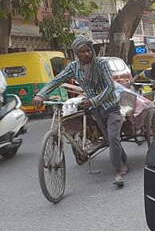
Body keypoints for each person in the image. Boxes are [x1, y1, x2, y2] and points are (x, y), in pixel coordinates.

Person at [32, 36, 128, 187]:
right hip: (95, 110)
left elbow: (110, 87)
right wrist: (41, 94)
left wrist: (94, 100)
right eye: (82, 52)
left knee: (113, 137)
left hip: (111, 107)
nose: (86, 54)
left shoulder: (101, 64)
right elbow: (57, 80)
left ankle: (118, 170)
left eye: (88, 50)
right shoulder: (73, 67)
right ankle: (122, 159)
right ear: (76, 53)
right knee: (110, 139)